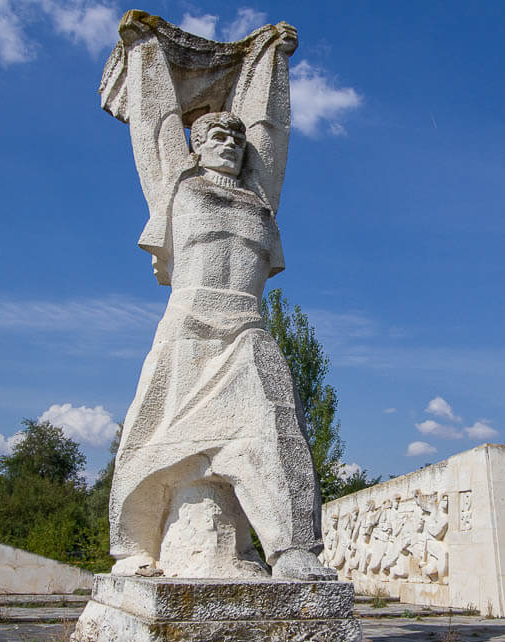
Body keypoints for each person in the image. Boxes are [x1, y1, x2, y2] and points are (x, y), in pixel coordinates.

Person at [102, 15, 333, 581]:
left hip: (246, 326)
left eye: (235, 137)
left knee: (276, 424)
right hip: (189, 323)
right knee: (152, 431)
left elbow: (269, 128)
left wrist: (272, 59)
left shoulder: (260, 199)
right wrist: (145, 55)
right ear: (195, 146)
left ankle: (293, 550)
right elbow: (156, 124)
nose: (229, 142)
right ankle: (134, 546)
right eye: (214, 136)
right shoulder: (178, 188)